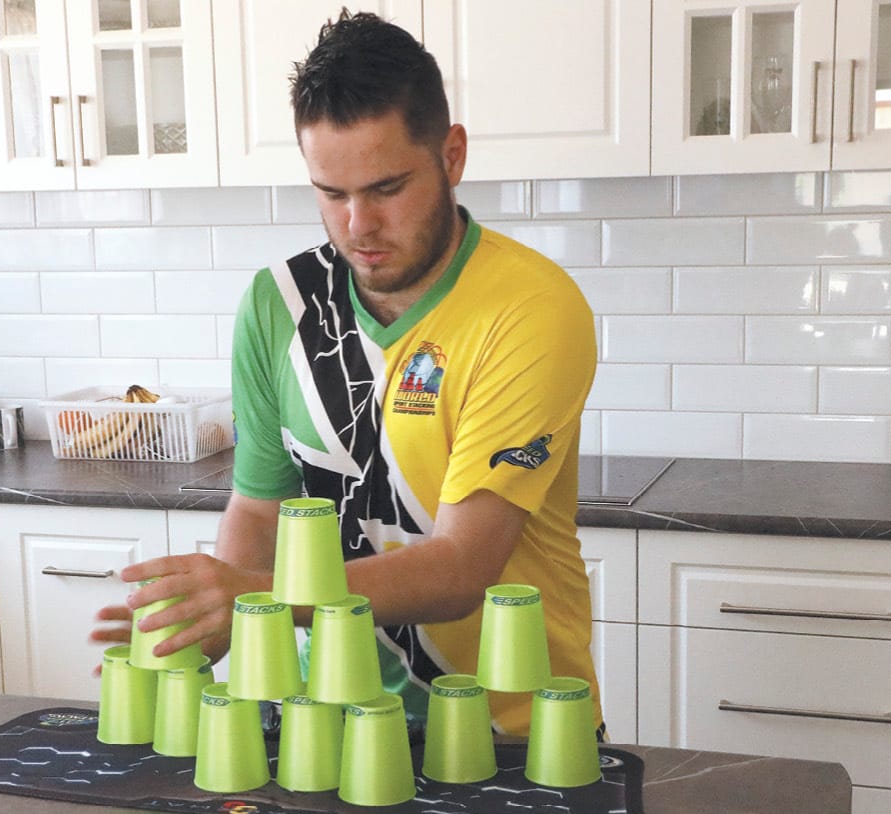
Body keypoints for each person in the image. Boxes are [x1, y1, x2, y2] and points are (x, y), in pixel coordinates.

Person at [94, 9, 599, 735]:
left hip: (515, 737)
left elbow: (461, 566)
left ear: (452, 156)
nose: (358, 225)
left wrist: (252, 598)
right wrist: (205, 622)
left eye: (387, 188)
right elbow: (259, 510)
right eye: (332, 193)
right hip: (325, 725)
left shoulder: (528, 309)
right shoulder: (278, 305)